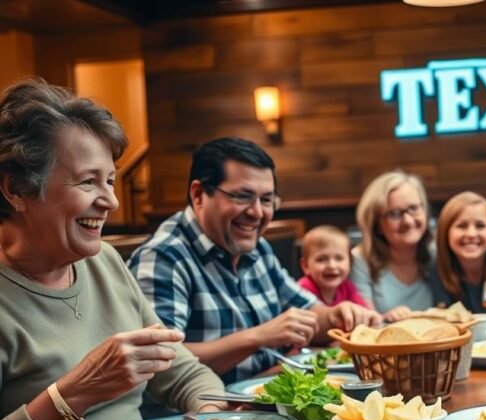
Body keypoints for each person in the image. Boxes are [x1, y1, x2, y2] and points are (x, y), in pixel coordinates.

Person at [0, 80, 226, 420]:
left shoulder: (102, 261)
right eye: (89, 182)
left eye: (111, 181)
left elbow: (187, 376)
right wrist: (74, 393)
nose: (112, 202)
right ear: (16, 189)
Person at [129, 138, 380, 384]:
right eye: (242, 196)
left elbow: (311, 314)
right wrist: (258, 336)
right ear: (198, 195)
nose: (257, 212)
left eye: (267, 200)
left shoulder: (257, 247)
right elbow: (161, 364)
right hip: (205, 415)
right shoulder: (163, 257)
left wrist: (338, 315)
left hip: (267, 396)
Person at [350, 170, 435, 322]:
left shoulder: (436, 254)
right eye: (395, 214)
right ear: (377, 225)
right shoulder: (360, 261)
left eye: (414, 208)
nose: (408, 221)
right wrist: (386, 318)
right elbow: (365, 326)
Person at [432, 191, 486, 314]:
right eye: (461, 226)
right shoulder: (437, 267)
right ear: (445, 232)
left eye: (480, 226)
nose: (471, 234)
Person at [298, 225, 367, 308]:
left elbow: (364, 312)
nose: (332, 266)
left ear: (350, 262)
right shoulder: (303, 289)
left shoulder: (347, 287)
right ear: (305, 266)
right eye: (321, 259)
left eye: (339, 258)